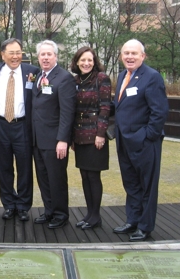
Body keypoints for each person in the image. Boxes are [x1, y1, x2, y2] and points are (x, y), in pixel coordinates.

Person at [112, 39, 169, 242]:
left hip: (144, 143)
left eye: (134, 53)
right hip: (124, 142)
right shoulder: (122, 76)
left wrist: (148, 137)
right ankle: (132, 220)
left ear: (142, 56)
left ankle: (145, 227)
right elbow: (121, 106)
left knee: (147, 186)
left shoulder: (152, 77)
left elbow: (159, 111)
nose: (129, 56)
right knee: (131, 185)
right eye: (126, 53)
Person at [0, 38, 38, 221]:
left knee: (25, 168)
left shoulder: (32, 72)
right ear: (3, 54)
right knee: (4, 168)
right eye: (12, 53)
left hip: (22, 126)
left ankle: (24, 205)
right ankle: (9, 204)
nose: (16, 56)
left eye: (19, 52)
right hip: (0, 125)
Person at [32, 40, 76, 229]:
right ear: (38, 57)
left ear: (56, 56)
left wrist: (63, 140)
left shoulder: (64, 78)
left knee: (57, 178)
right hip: (37, 138)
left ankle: (60, 214)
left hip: (54, 140)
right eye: (42, 54)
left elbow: (67, 112)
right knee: (43, 178)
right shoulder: (37, 76)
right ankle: (49, 210)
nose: (46, 58)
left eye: (49, 54)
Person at [70, 46, 112, 230]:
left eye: (90, 60)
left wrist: (101, 134)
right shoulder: (76, 80)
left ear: (94, 62)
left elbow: (105, 107)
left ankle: (96, 216)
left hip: (95, 135)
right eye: (82, 60)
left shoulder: (101, 79)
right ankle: (89, 214)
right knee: (84, 175)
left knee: (94, 176)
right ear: (77, 62)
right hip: (79, 135)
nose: (86, 63)